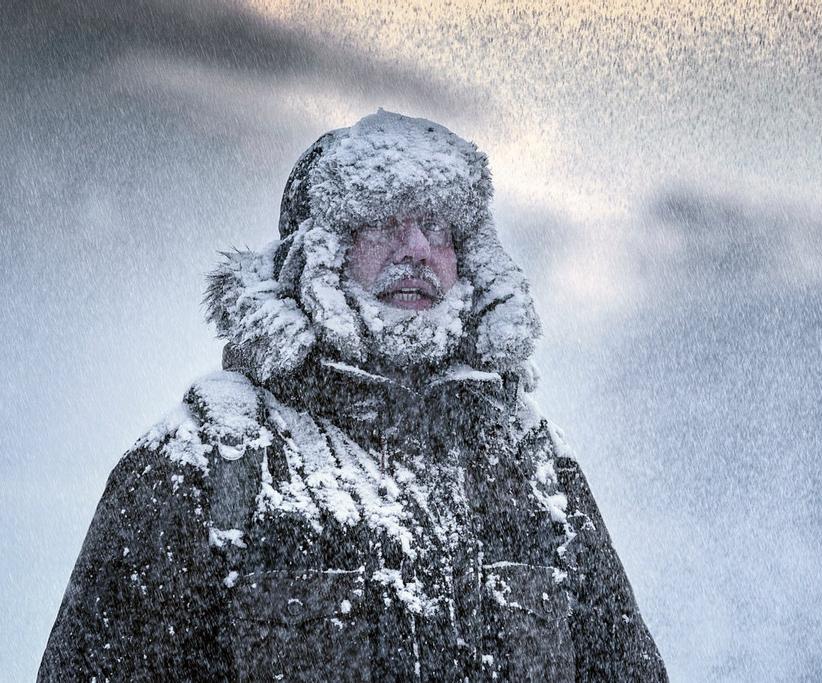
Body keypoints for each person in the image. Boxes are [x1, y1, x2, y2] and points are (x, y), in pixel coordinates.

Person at [39, 110, 668, 681]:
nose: (417, 249)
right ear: (320, 253)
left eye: (439, 226)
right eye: (381, 220)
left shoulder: (531, 465)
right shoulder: (205, 462)